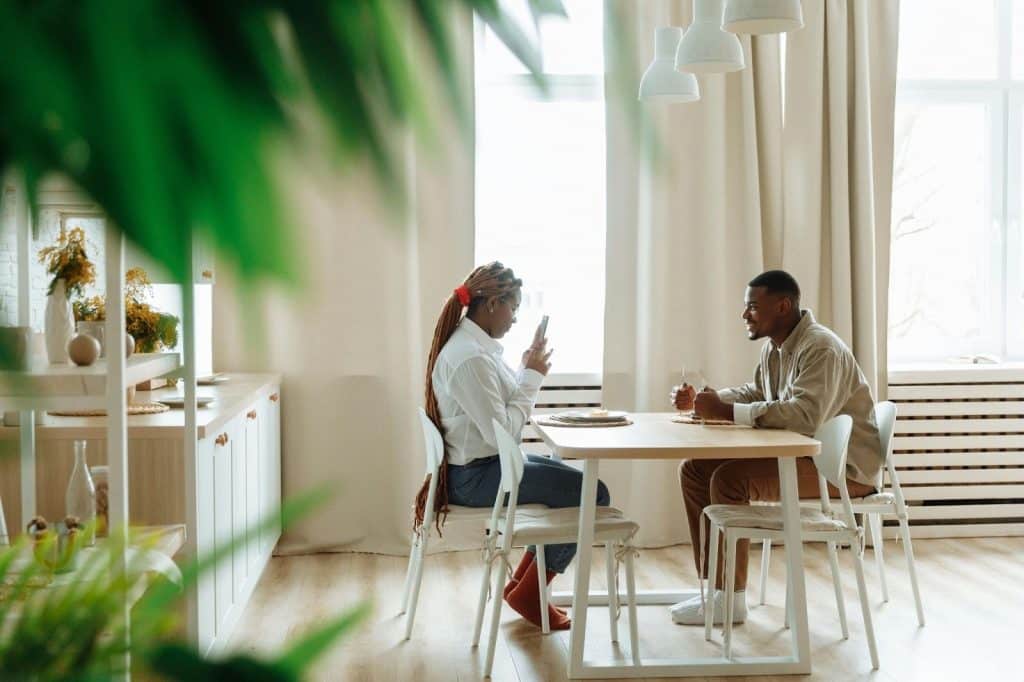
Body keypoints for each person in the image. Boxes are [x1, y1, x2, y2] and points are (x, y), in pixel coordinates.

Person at [668, 270, 882, 625]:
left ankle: (731, 600)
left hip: (843, 470)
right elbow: (756, 394)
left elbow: (803, 418)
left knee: (730, 479)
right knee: (696, 469)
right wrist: (707, 401)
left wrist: (724, 411)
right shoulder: (776, 348)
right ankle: (715, 590)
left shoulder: (820, 348)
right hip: (806, 457)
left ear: (782, 306)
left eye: (752, 306)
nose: (744, 314)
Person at [413, 261, 611, 630]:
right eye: (514, 308)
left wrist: (524, 369)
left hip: (485, 468)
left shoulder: (476, 349)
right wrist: (532, 377)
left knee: (586, 487)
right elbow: (503, 433)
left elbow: (500, 414)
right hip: (476, 478)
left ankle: (525, 587)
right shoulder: (470, 357)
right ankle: (528, 591)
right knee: (593, 495)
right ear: (492, 304)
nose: (515, 319)